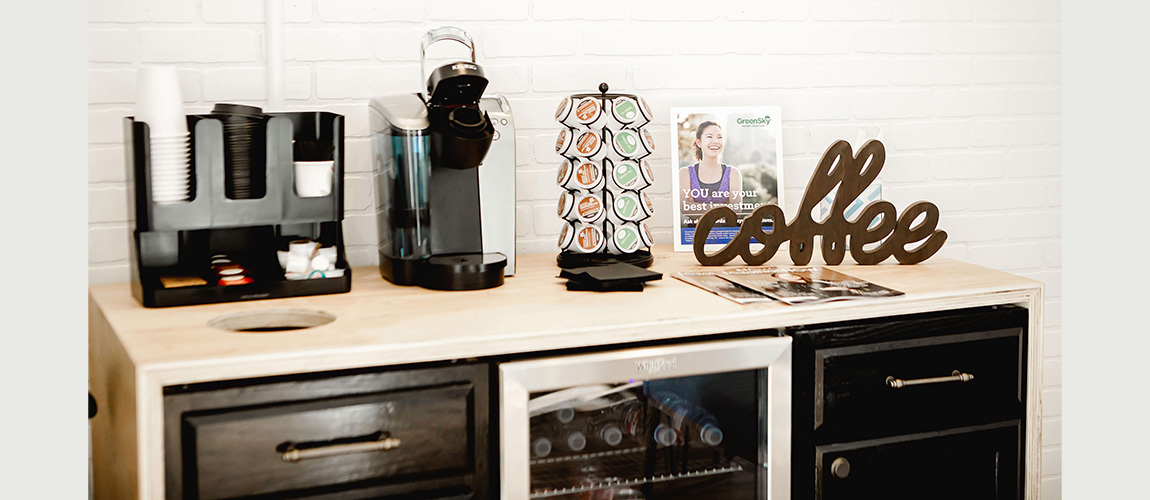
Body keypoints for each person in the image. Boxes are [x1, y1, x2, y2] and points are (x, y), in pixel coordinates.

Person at [678, 121, 743, 208]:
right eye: (709, 137)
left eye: (719, 137)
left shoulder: (733, 173)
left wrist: (696, 206)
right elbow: (685, 207)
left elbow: (736, 210)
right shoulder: (685, 173)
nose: (716, 141)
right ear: (698, 142)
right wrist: (724, 207)